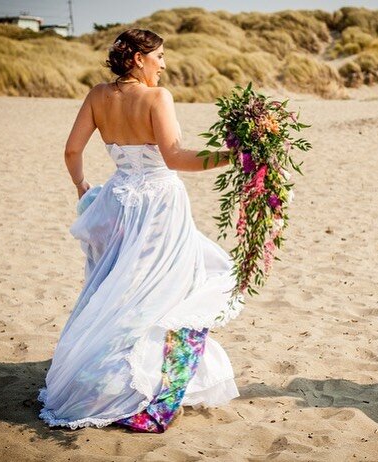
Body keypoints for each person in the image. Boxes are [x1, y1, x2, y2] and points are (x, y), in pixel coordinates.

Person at [37, 28, 244, 433]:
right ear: (138, 59)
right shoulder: (156, 98)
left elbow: (72, 150)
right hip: (159, 205)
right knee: (164, 289)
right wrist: (232, 156)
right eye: (159, 57)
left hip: (117, 201)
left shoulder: (98, 95)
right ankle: (147, 385)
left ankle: (105, 370)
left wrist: (82, 186)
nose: (163, 65)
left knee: (120, 286)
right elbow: (176, 157)